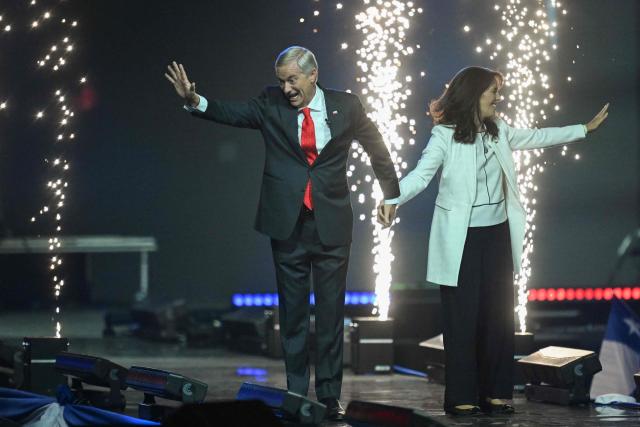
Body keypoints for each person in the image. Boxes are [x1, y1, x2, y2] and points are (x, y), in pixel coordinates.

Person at [165, 46, 400, 421]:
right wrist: (195, 99)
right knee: (292, 316)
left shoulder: (346, 106)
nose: (287, 88)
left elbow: (376, 148)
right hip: (287, 224)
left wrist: (391, 193)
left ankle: (328, 396)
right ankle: (296, 394)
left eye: (292, 80)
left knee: (329, 315)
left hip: (331, 224)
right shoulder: (270, 104)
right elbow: (233, 113)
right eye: (281, 81)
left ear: (313, 75)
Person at [378, 66, 608, 416]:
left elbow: (537, 136)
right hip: (461, 240)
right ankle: (461, 396)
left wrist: (583, 129)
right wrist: (393, 199)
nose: (498, 98)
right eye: (492, 92)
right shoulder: (444, 136)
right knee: (462, 319)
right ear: (474, 95)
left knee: (498, 317)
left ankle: (496, 392)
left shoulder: (499, 130)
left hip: (496, 233)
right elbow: (421, 175)